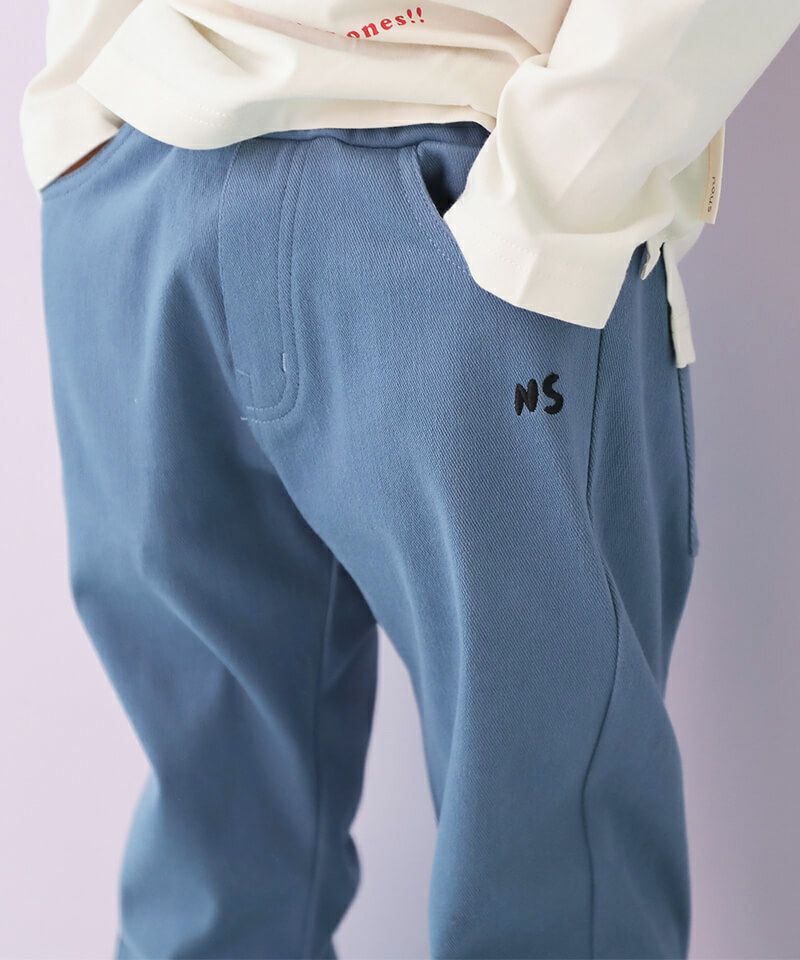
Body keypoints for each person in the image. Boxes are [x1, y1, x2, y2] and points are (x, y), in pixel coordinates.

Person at [21, 3, 799, 958]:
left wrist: (558, 186)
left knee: (539, 878)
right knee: (228, 863)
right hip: (157, 157)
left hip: (449, 182)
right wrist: (82, 107)